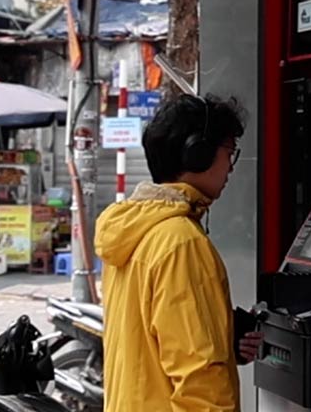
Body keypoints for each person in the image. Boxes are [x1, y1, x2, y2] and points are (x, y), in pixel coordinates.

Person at [95, 93, 263, 412]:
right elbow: (200, 384)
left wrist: (224, 337)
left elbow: (150, 341)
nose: (230, 165)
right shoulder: (181, 242)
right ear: (198, 154)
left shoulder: (132, 230)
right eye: (229, 152)